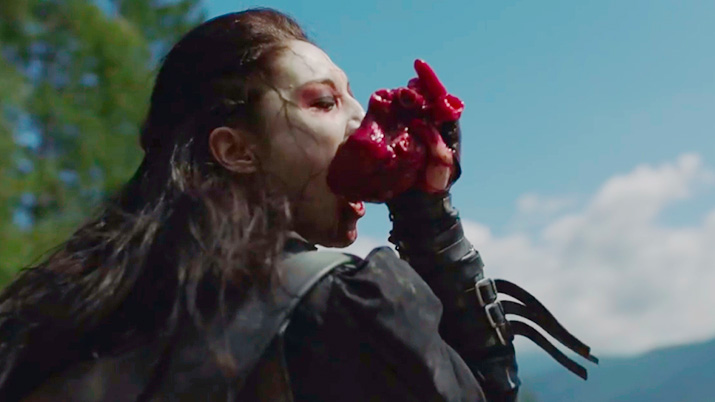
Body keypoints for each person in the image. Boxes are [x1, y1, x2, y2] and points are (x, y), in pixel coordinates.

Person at [0, 8, 594, 401]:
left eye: (351, 98)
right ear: (236, 150)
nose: (361, 120)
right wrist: (431, 223)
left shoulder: (75, 323)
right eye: (324, 103)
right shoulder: (340, 305)